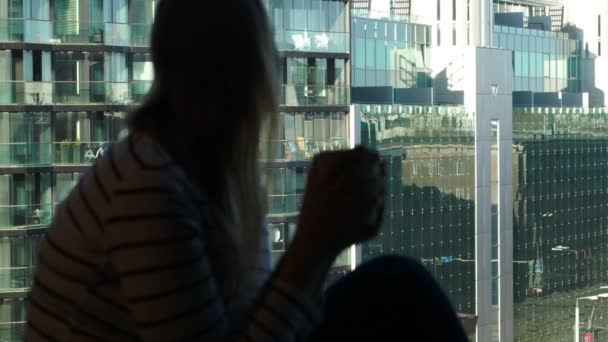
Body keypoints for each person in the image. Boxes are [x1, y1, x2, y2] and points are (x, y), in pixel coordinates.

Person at [25, 1, 468, 341]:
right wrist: (316, 245)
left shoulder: (196, 172)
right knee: (398, 288)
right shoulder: (148, 190)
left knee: (395, 286)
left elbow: (247, 318)